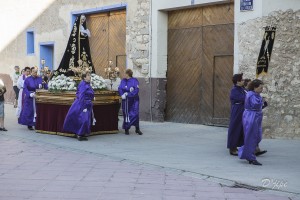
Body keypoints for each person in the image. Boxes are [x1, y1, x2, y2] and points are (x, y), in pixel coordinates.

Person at [238, 79, 266, 165]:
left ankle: (246, 152)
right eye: (260, 88)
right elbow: (256, 104)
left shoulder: (255, 94)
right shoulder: (251, 95)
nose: (262, 90)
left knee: (256, 136)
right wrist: (262, 100)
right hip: (251, 116)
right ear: (255, 87)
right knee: (252, 136)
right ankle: (251, 157)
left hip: (255, 116)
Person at [63, 72, 95, 141]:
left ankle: (80, 133)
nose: (90, 77)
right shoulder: (83, 84)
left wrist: (92, 97)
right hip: (83, 104)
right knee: (84, 119)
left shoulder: (87, 84)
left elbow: (89, 93)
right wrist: (83, 106)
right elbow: (81, 95)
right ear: (84, 77)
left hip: (87, 104)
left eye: (90, 75)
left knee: (83, 119)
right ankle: (80, 134)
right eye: (88, 75)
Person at [118, 69, 143, 135]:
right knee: (126, 114)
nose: (124, 75)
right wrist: (122, 94)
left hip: (134, 100)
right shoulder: (123, 80)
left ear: (128, 74)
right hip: (126, 101)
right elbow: (120, 88)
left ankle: (137, 129)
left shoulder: (134, 80)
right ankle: (127, 128)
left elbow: (136, 90)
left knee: (135, 114)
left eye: (125, 73)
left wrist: (128, 94)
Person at [227, 74, 245, 156]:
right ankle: (232, 148)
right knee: (235, 128)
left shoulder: (241, 89)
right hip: (237, 111)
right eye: (242, 79)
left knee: (241, 129)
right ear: (238, 81)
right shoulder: (234, 90)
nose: (243, 81)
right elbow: (242, 98)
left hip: (242, 110)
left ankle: (239, 146)